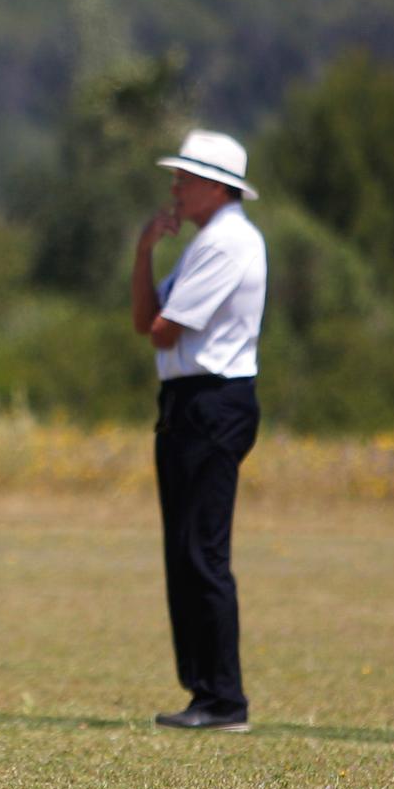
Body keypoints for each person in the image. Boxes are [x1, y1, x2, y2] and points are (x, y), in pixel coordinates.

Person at [131, 129, 267, 732]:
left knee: (203, 550)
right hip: (186, 400)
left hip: (214, 400)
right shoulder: (205, 241)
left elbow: (166, 330)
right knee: (183, 550)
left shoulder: (231, 243)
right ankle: (203, 692)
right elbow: (146, 322)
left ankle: (224, 699)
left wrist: (160, 312)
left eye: (186, 180)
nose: (176, 189)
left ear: (218, 186)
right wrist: (143, 252)